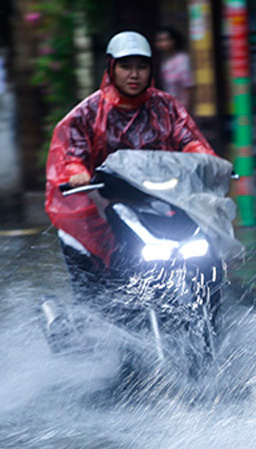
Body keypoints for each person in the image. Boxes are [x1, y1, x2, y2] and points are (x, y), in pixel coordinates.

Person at [44, 30, 215, 298]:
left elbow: (187, 137)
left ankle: (210, 318)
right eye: (126, 66)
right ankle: (100, 309)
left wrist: (204, 158)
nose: (134, 75)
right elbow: (72, 152)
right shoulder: (88, 112)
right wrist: (78, 172)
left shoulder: (165, 106)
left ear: (151, 69)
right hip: (107, 202)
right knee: (83, 247)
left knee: (206, 254)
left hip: (164, 198)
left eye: (141, 67)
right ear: (111, 68)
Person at [154, 27, 195, 112]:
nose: (163, 43)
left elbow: (188, 86)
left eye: (166, 40)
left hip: (180, 107)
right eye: (160, 40)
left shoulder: (182, 59)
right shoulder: (164, 62)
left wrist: (184, 109)